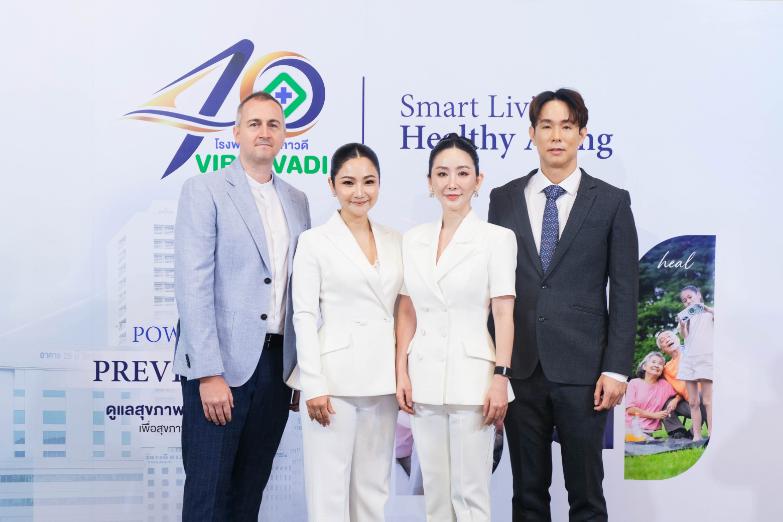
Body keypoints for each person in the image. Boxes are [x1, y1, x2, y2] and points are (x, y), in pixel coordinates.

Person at [488, 88, 638, 521]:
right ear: (532, 133)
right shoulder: (503, 197)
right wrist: (495, 366)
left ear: (582, 134)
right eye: (547, 126)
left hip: (585, 370)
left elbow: (625, 290)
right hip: (521, 367)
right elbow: (494, 287)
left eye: (567, 127)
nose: (557, 136)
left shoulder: (611, 201)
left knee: (586, 496)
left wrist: (616, 369)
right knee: (527, 496)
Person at [173, 91, 311, 521]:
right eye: (254, 124)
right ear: (236, 132)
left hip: (275, 369)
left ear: (284, 135)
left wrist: (297, 371)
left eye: (273, 124)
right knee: (208, 496)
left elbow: (299, 289)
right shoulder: (205, 190)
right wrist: (208, 372)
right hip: (221, 367)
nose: (264, 132)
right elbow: (193, 285)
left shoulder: (298, 200)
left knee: (248, 496)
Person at [396, 133, 517, 521]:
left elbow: (504, 314)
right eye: (442, 173)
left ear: (478, 181)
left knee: (470, 495)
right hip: (424, 377)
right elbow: (407, 310)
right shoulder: (413, 240)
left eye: (463, 173)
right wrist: (401, 371)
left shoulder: (497, 239)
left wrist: (500, 376)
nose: (452, 183)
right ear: (430, 181)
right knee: (435, 495)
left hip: (474, 380)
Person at [288, 143, 401, 521]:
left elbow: (403, 310)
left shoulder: (395, 239)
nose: (359, 192)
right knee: (329, 493)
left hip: (383, 380)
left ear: (379, 184)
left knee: (373, 491)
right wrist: (313, 384)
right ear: (332, 185)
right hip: (332, 381)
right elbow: (304, 315)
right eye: (349, 182)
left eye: (369, 181)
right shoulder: (314, 241)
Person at [677, 285, 714, 441]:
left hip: (705, 358)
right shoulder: (686, 318)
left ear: (698, 295)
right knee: (693, 402)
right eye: (684, 300)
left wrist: (706, 308)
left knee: (707, 400)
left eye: (690, 297)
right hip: (688, 360)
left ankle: (712, 434)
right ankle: (697, 436)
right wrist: (682, 325)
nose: (687, 301)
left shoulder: (709, 313)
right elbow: (684, 336)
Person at [656, 329, 707, 438]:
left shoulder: (693, 352)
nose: (667, 339)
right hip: (689, 404)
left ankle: (696, 431)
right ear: (662, 349)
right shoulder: (666, 369)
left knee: (702, 394)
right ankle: (678, 431)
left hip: (707, 399)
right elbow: (675, 389)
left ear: (678, 339)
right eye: (662, 340)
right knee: (665, 403)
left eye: (669, 336)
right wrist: (676, 399)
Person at [625, 352, 677, 438]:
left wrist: (676, 400)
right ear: (644, 366)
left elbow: (681, 392)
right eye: (653, 362)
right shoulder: (634, 383)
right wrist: (654, 415)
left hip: (647, 431)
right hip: (629, 427)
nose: (656, 365)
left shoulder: (665, 385)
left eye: (660, 364)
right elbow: (630, 409)